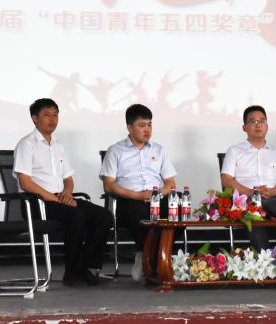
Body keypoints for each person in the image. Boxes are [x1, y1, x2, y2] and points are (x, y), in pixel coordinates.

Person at [14, 98, 113, 287]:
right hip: (36, 202)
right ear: (34, 118)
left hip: (59, 198)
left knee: (103, 215)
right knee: (76, 215)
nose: (52, 119)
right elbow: (25, 183)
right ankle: (72, 272)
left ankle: (83, 267)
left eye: (55, 115)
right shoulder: (26, 144)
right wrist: (56, 199)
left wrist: (67, 194)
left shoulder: (57, 145)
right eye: (47, 115)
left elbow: (68, 179)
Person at [100, 104, 178, 281]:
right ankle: (149, 260)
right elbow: (108, 185)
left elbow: (170, 183)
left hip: (156, 197)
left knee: (178, 214)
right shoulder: (115, 150)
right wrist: (138, 195)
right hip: (129, 199)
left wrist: (157, 194)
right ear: (129, 127)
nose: (147, 130)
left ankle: (151, 258)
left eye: (149, 125)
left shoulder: (158, 149)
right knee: (140, 215)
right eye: (142, 125)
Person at [220, 105, 276, 251]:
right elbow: (226, 180)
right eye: (252, 121)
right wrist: (251, 192)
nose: (258, 125)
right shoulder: (234, 151)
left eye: (262, 121)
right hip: (246, 200)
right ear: (244, 127)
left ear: (267, 126)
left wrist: (271, 191)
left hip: (271, 198)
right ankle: (263, 260)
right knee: (254, 215)